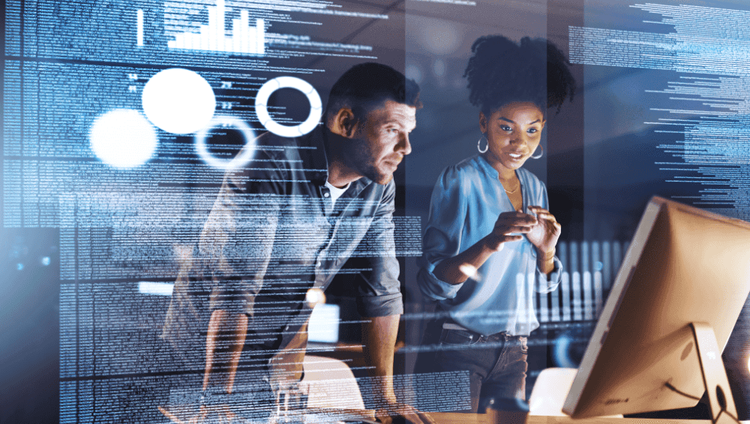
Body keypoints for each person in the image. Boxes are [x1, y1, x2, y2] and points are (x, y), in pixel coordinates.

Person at [161, 62, 432, 424]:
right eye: (393, 130)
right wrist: (213, 401)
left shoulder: (379, 187)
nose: (407, 147)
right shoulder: (267, 161)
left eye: (409, 132)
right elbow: (235, 291)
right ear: (345, 122)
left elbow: (381, 292)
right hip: (202, 365)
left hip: (279, 370)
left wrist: (384, 401)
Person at [415, 35, 576, 412]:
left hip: (515, 349)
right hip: (460, 345)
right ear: (485, 122)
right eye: (507, 128)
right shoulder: (460, 179)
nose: (520, 143)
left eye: (532, 130)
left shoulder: (535, 187)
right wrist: (489, 241)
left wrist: (547, 253)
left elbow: (541, 287)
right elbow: (433, 284)